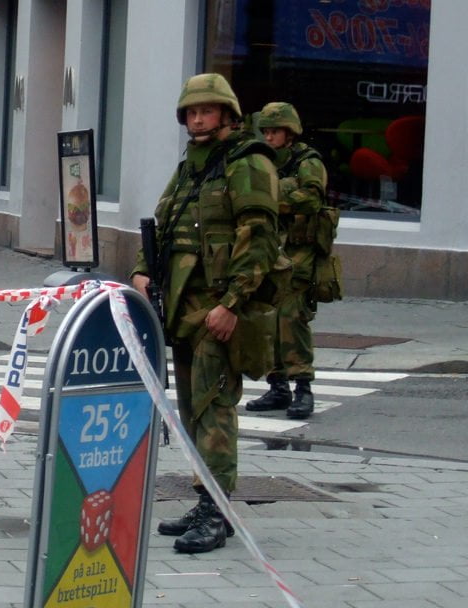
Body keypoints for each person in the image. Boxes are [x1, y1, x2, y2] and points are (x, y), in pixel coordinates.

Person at [131, 74, 282, 554]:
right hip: (182, 308)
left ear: (228, 114)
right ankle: (206, 501)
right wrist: (141, 270)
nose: (197, 118)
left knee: (214, 410)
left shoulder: (247, 162)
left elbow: (259, 240)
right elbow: (166, 221)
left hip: (218, 309)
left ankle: (217, 513)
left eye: (207, 110)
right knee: (193, 414)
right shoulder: (192, 166)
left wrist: (231, 305)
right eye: (191, 112)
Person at [244, 102, 329, 420]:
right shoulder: (261, 160)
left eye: (275, 131)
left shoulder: (308, 162)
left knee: (292, 320)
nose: (269, 136)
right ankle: (277, 385)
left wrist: (272, 195)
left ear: (290, 132)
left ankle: (303, 388)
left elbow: (311, 198)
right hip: (268, 249)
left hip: (299, 251)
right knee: (266, 320)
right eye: (265, 131)